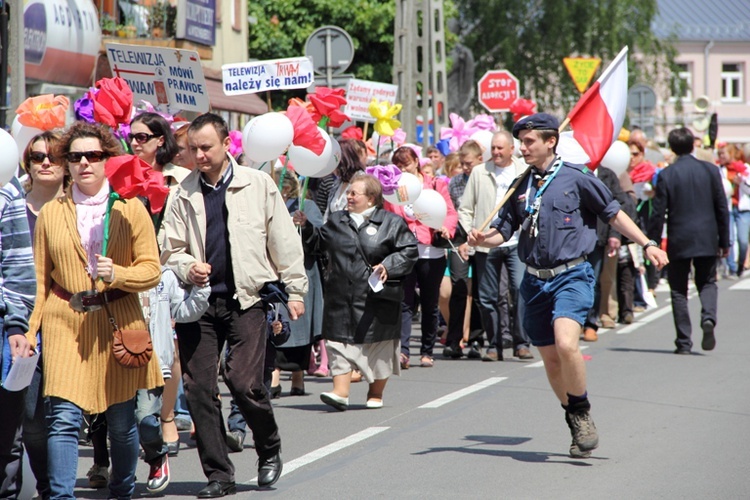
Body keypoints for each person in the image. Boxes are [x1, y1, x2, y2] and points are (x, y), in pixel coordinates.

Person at [469, 113, 669, 458]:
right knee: (550, 359)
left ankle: (581, 411)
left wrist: (647, 243)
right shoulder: (520, 185)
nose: (523, 147)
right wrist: (483, 239)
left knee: (566, 344)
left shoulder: (576, 177)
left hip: (571, 275)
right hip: (534, 281)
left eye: (529, 141)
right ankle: (574, 418)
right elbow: (504, 230)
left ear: (551, 141)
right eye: (521, 141)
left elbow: (612, 213)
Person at [161, 113, 308, 496]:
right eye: (193, 148)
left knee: (244, 383)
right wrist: (187, 265)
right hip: (200, 304)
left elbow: (284, 241)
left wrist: (295, 290)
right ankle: (219, 475)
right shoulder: (183, 192)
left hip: (248, 299)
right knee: (197, 389)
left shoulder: (258, 185)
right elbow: (169, 248)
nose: (199, 155)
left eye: (206, 147)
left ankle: (269, 446)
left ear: (228, 145)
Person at [27, 121, 163, 499]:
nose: (84, 162)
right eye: (75, 156)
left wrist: (118, 273)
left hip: (117, 319)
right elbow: (40, 280)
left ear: (108, 159)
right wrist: (28, 330)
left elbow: (152, 270)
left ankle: (122, 489)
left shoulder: (129, 206)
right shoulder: (52, 212)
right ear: (66, 163)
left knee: (120, 423)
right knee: (63, 420)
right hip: (64, 319)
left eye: (93, 155)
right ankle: (60, 495)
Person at [295, 173, 418, 410]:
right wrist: (306, 227)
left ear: (371, 198)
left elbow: (409, 251)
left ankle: (376, 392)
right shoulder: (338, 221)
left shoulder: (391, 223)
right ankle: (340, 392)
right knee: (338, 345)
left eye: (354, 193)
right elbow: (319, 244)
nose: (348, 197)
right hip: (340, 297)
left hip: (377, 300)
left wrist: (387, 266)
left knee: (379, 349)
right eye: (348, 192)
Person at [129, 110, 186, 490]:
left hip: (164, 277)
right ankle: (111, 459)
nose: (135, 142)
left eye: (143, 136)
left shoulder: (178, 182)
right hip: (125, 279)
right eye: (131, 136)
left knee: (166, 352)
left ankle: (166, 417)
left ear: (160, 140)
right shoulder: (118, 175)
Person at [648, 127, 730, 354]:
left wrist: (652, 243)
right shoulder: (711, 171)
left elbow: (658, 213)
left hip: (679, 238)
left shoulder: (666, 175)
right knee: (707, 282)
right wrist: (725, 241)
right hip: (706, 236)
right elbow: (722, 208)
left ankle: (684, 342)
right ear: (693, 145)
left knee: (678, 290)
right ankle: (709, 318)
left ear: (672, 148)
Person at [19, 131, 69, 499]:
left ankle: (59, 488)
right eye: (38, 157)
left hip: (70, 323)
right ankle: (49, 484)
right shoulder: (13, 209)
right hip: (24, 326)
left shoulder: (79, 209)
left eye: (53, 156)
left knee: (64, 417)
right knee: (33, 420)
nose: (46, 163)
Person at [457, 132, 533, 361]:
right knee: (488, 296)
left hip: (516, 242)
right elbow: (465, 208)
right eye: (493, 148)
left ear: (512, 149)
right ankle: (494, 344)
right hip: (486, 243)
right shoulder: (480, 172)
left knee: (519, 290)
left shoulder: (524, 171)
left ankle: (521, 343)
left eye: (501, 148)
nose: (497, 152)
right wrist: (471, 230)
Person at [387, 146, 457, 369]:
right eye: (398, 166)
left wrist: (446, 228)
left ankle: (427, 351)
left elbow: (450, 212)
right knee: (405, 303)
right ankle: (404, 352)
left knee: (429, 301)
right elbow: (389, 215)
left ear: (416, 162)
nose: (402, 169)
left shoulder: (436, 184)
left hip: (431, 251)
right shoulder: (394, 189)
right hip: (404, 251)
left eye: (406, 164)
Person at [270, 172, 324, 397]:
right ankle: (273, 375)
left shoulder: (307, 205)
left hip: (302, 272)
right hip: (273, 273)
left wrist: (306, 225)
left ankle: (298, 376)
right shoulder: (266, 206)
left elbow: (321, 239)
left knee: (299, 325)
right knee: (274, 323)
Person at [0, 177, 37, 498]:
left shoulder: (7, 189)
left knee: (6, 438)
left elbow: (18, 268)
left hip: (2, 329)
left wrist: (15, 325)